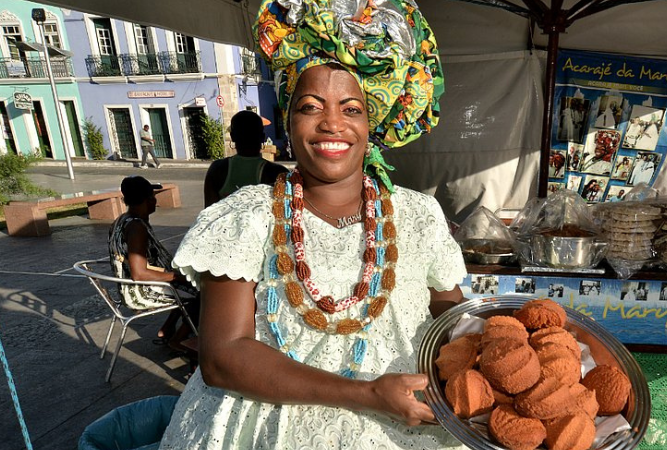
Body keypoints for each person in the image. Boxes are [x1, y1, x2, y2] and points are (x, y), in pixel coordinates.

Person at [159, 2, 468, 448]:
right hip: (266, 427)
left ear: (372, 121)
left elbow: (449, 313)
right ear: (287, 119)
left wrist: (504, 340)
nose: (332, 124)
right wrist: (366, 394)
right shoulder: (245, 217)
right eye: (310, 106)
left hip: (408, 423)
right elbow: (223, 358)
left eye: (351, 109)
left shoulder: (418, 214)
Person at [108, 175, 198, 351]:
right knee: (202, 291)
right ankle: (178, 339)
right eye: (152, 196)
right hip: (140, 290)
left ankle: (167, 329)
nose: (155, 200)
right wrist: (176, 277)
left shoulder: (122, 220)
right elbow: (139, 273)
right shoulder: (135, 228)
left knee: (186, 283)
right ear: (148, 199)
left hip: (127, 286)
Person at [203, 110, 289, 207]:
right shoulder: (277, 173)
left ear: (232, 137)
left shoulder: (217, 169)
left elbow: (209, 213)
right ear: (263, 137)